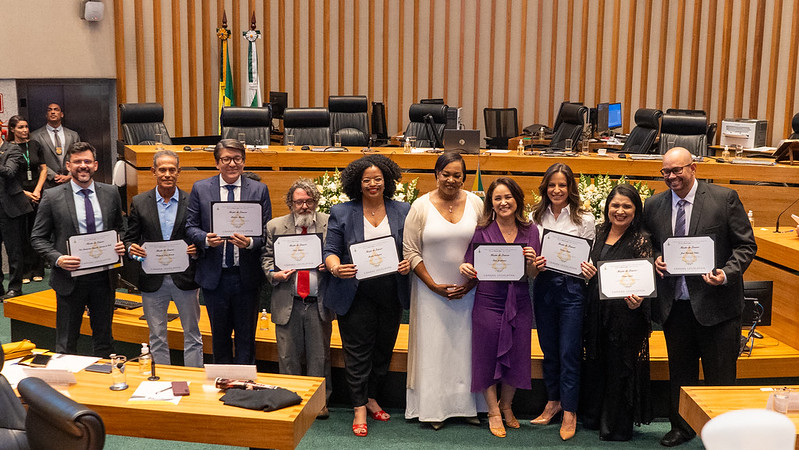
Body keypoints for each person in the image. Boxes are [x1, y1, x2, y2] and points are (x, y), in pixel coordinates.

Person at [643, 147, 756, 447]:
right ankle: (681, 427)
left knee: (721, 376)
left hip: (717, 306)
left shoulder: (723, 198)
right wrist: (654, 258)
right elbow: (648, 243)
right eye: (665, 172)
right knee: (680, 372)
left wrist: (726, 273)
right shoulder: (653, 205)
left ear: (693, 168)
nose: (671, 177)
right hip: (675, 305)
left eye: (677, 170)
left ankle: (723, 433)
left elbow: (746, 245)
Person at [323, 154, 411, 437]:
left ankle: (372, 397)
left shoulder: (403, 210)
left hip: (390, 291)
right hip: (355, 291)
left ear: (387, 181)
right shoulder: (342, 211)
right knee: (357, 353)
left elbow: (411, 248)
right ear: (357, 184)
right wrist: (336, 268)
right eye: (367, 180)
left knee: (383, 350)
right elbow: (330, 250)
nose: (373, 184)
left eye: (378, 179)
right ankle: (359, 406)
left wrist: (408, 262)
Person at [403, 152, 485, 429]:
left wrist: (472, 282)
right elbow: (410, 251)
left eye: (457, 175)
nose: (451, 180)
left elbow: (487, 243)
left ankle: (468, 407)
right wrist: (432, 285)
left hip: (469, 291)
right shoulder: (420, 206)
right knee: (434, 350)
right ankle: (434, 410)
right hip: (430, 292)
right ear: (436, 174)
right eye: (445, 174)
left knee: (466, 349)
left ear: (464, 177)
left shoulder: (476, 203)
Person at [459, 177, 539, 438]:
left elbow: (533, 274)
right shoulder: (481, 231)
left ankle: (507, 406)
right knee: (486, 355)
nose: (504, 202)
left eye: (508, 197)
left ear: (517, 200)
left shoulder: (531, 230)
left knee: (517, 354)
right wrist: (465, 267)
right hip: (488, 301)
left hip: (519, 301)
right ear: (491, 203)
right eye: (498, 198)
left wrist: (532, 263)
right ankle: (493, 411)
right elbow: (469, 265)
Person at [30, 142, 125, 356]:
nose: (83, 166)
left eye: (87, 161)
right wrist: (58, 259)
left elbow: (120, 229)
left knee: (104, 342)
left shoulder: (111, 193)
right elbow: (37, 237)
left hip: (104, 278)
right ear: (68, 166)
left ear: (95, 165)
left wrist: (121, 243)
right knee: (66, 343)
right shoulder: (52, 197)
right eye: (78, 162)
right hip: (70, 278)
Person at [185, 139, 271, 364]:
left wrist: (250, 242)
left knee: (246, 339)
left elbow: (266, 232)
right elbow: (190, 227)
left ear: (244, 162)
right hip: (215, 278)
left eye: (237, 159)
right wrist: (205, 239)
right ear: (217, 163)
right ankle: (222, 381)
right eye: (226, 159)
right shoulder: (201, 188)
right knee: (219, 338)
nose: (232, 164)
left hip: (246, 277)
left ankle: (245, 383)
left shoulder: (259, 190)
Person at [579, 184, 654, 441]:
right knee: (596, 363)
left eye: (626, 206)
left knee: (618, 368)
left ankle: (616, 426)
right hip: (597, 312)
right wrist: (587, 273)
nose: (620, 211)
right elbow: (590, 268)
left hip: (626, 316)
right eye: (615, 205)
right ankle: (593, 416)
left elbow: (645, 281)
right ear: (607, 207)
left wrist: (639, 301)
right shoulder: (599, 231)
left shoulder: (641, 239)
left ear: (636, 210)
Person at [529, 162, 596, 441]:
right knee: (549, 349)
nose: (557, 190)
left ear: (570, 188)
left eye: (562, 185)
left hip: (572, 290)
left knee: (569, 351)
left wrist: (589, 269)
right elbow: (531, 257)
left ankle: (570, 409)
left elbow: (589, 256)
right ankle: (553, 401)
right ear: (545, 187)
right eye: (552, 185)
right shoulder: (535, 216)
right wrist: (535, 263)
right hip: (544, 286)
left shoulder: (584, 219)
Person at [123, 150, 204, 367]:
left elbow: (200, 235)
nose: (167, 174)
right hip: (152, 279)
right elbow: (130, 239)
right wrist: (132, 249)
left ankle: (194, 379)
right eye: (162, 170)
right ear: (153, 171)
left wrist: (197, 249)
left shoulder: (192, 201)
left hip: (185, 278)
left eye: (172, 170)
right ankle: (162, 380)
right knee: (157, 336)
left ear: (178, 172)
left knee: (192, 334)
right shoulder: (140, 202)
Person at [261, 178, 333, 419]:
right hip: (287, 299)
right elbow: (266, 259)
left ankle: (319, 403)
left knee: (319, 356)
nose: (304, 206)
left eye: (309, 201)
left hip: (318, 301)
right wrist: (274, 274)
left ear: (316, 202)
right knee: (287, 356)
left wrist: (330, 265)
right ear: (290, 203)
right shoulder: (275, 226)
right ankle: (289, 400)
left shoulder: (329, 223)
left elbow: (338, 253)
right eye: (299, 202)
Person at [6, 116, 48, 284]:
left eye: (26, 127)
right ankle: (25, 271)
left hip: (37, 193)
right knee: (21, 234)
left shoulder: (35, 145)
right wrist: (24, 193)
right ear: (12, 129)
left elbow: (43, 169)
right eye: (20, 127)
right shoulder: (8, 148)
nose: (24, 130)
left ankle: (38, 269)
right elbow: (8, 176)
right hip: (18, 194)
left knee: (37, 231)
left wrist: (37, 190)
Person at [0, 139, 33, 301]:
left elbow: (9, 172)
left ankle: (15, 287)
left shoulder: (12, 150)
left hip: (10, 208)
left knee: (14, 250)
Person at [30, 103, 81, 188]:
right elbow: (36, 160)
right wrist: (53, 176)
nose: (53, 112)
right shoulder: (35, 136)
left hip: (71, 181)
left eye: (56, 109)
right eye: (49, 110)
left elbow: (78, 156)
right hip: (47, 183)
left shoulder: (73, 135)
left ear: (62, 114)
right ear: (46, 115)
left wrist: (70, 175)